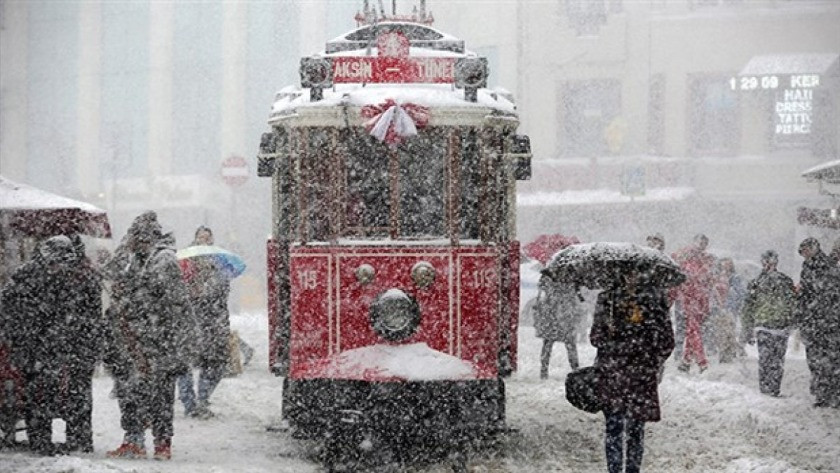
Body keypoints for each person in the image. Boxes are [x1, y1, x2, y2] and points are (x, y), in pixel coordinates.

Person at [102, 211, 195, 459]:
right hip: (136, 341)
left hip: (158, 342)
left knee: (160, 396)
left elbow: (164, 301)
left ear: (147, 238)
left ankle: (161, 444)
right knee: (130, 391)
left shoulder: (162, 260)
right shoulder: (137, 258)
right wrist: (124, 248)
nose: (132, 241)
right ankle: (135, 441)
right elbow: (111, 271)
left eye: (135, 236)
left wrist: (131, 296)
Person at [1, 235, 103, 455]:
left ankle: (74, 440)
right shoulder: (29, 276)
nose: (60, 268)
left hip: (58, 347)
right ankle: (43, 441)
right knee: (41, 395)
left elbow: (86, 315)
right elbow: (10, 310)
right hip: (37, 347)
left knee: (68, 394)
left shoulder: (72, 277)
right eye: (57, 262)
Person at [590, 266, 675, 473]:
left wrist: (651, 359)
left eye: (636, 273)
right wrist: (609, 335)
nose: (631, 277)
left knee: (635, 428)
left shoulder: (655, 301)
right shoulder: (608, 299)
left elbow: (666, 340)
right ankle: (614, 470)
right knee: (614, 426)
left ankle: (632, 470)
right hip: (615, 372)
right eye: (627, 272)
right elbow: (595, 337)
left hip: (638, 373)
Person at [177, 226, 233, 418]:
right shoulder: (185, 260)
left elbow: (224, 288)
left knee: (215, 363)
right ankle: (189, 402)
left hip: (214, 320)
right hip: (191, 321)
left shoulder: (219, 260)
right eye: (200, 237)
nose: (203, 240)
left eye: (207, 238)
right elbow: (179, 289)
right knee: (185, 364)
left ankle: (202, 398)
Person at [740, 250, 796, 397]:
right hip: (765, 326)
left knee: (776, 360)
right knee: (767, 359)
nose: (769, 264)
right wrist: (747, 328)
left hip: (778, 326)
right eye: (767, 261)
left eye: (771, 261)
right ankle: (767, 389)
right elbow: (748, 307)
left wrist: (792, 320)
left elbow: (793, 304)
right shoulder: (757, 283)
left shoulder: (784, 281)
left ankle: (773, 388)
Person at [795, 237, 840, 408]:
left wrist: (808, 311)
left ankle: (828, 393)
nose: (803, 255)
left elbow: (825, 294)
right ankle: (825, 393)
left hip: (825, 322)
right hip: (819, 322)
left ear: (813, 249)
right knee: (819, 360)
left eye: (805, 251)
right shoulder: (808, 267)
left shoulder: (826, 267)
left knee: (826, 359)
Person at [672, 234, 715, 373]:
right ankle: (702, 362)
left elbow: (707, 281)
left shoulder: (703, 260)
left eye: (704, 243)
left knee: (692, 331)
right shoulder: (688, 258)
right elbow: (687, 279)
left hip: (697, 300)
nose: (702, 245)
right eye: (700, 242)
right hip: (691, 299)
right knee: (694, 330)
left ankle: (686, 360)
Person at [533, 274, 583, 379]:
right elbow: (578, 296)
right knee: (569, 344)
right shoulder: (572, 275)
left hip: (553, 314)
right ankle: (575, 369)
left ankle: (544, 370)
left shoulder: (548, 275)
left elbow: (541, 290)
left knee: (548, 344)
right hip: (564, 314)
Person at [711, 258, 746, 363]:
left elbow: (741, 293)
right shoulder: (716, 277)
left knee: (729, 331)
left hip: (730, 308)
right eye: (724, 265)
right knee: (720, 332)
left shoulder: (735, 278)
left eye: (728, 265)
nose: (726, 267)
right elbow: (712, 292)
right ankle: (723, 352)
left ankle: (729, 352)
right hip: (718, 308)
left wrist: (731, 292)